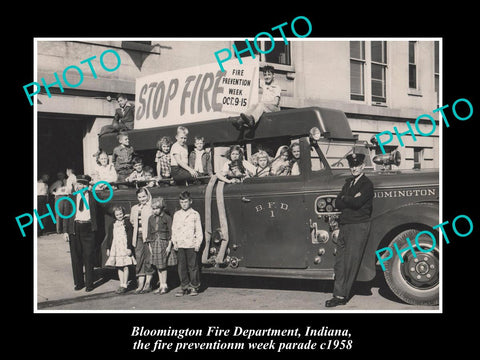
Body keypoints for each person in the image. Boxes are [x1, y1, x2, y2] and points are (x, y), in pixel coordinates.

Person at [325, 153, 374, 308]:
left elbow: (357, 202)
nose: (354, 168)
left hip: (357, 226)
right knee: (340, 262)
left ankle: (341, 296)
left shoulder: (367, 184)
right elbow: (338, 203)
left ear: (363, 166)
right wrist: (348, 199)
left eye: (357, 165)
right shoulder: (349, 183)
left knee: (350, 262)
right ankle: (338, 293)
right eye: (352, 166)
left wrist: (346, 198)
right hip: (345, 225)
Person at [64, 175, 99, 292]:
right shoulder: (71, 197)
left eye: (84, 184)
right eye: (79, 184)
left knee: (88, 256)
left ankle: (89, 283)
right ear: (76, 185)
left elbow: (104, 207)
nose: (81, 186)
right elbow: (66, 215)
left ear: (88, 186)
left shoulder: (94, 197)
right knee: (76, 257)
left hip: (88, 227)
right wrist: (65, 231)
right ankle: (79, 282)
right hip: (74, 228)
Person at [171, 191, 203, 296]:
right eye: (181, 202)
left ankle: (194, 286)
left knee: (193, 266)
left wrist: (197, 243)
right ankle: (184, 286)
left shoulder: (195, 214)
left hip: (191, 244)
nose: (184, 204)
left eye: (185, 202)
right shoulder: (177, 214)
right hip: (180, 244)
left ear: (190, 201)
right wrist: (174, 242)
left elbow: (198, 230)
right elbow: (174, 229)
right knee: (181, 267)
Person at [234, 65, 281, 129]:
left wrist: (263, 103)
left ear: (273, 75)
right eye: (265, 75)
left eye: (269, 74)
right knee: (254, 105)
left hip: (274, 109)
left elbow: (275, 102)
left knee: (260, 104)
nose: (267, 77)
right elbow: (255, 78)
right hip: (265, 108)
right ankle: (241, 121)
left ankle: (252, 120)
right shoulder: (264, 84)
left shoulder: (276, 87)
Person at [146, 197, 177, 295]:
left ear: (162, 208)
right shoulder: (150, 218)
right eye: (153, 209)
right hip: (154, 243)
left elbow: (172, 232)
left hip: (164, 243)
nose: (155, 211)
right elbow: (149, 233)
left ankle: (164, 285)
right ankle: (161, 285)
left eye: (157, 208)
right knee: (158, 266)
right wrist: (150, 245)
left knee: (163, 265)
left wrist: (169, 246)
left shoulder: (167, 218)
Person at [105, 206, 136, 294]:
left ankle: (125, 285)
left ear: (123, 213)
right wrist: (108, 248)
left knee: (125, 266)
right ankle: (121, 283)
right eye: (117, 215)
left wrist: (129, 248)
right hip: (116, 248)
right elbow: (110, 237)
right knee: (119, 266)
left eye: (121, 214)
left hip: (124, 248)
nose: (119, 216)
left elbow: (130, 237)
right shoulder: (112, 224)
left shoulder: (127, 223)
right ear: (114, 215)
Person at [130, 187, 154, 294]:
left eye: (144, 196)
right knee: (139, 257)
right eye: (139, 197)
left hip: (148, 236)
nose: (142, 199)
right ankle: (140, 283)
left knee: (148, 257)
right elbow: (132, 221)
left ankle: (148, 283)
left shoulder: (151, 207)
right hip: (137, 235)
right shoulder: (134, 208)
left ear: (147, 196)